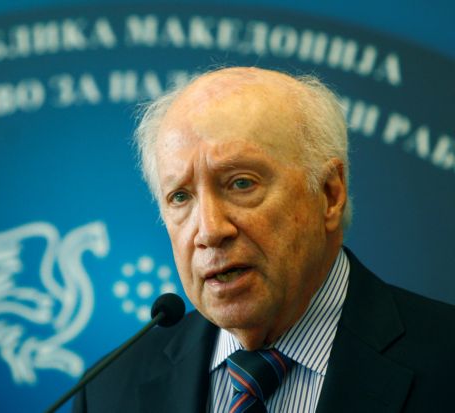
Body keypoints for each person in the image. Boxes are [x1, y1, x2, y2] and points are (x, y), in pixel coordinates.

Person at [73, 67, 455, 412]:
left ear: (329, 193)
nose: (210, 230)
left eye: (241, 183)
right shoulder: (108, 392)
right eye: (181, 197)